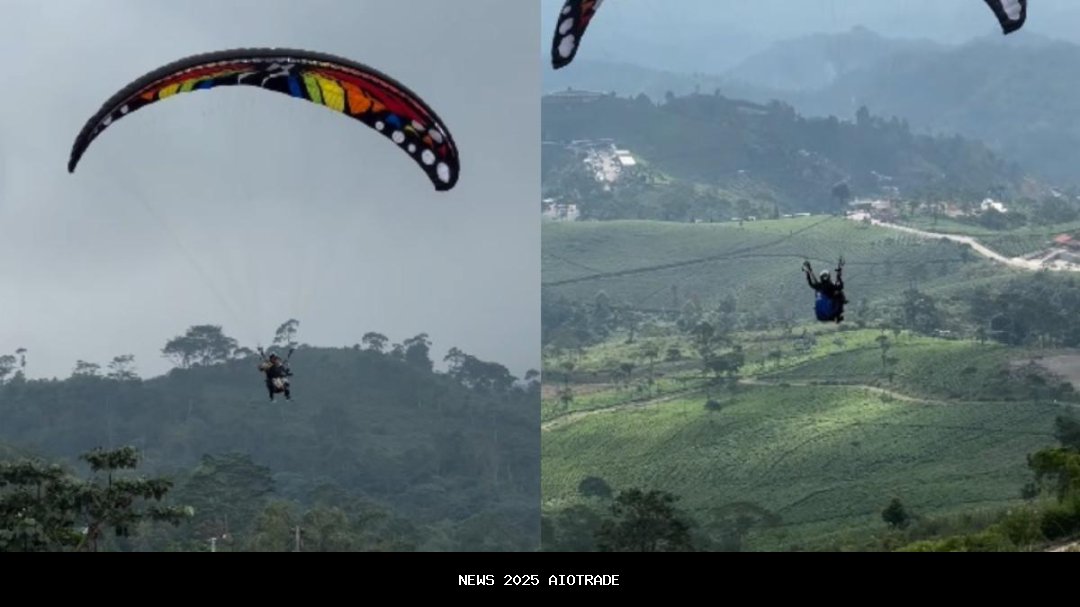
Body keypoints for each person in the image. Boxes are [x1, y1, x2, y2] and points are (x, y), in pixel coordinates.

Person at [802, 258, 848, 323]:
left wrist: (807, 272)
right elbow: (840, 286)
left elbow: (811, 283)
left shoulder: (818, 286)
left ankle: (808, 268)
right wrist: (839, 272)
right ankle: (838, 316)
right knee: (839, 293)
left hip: (820, 315)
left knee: (819, 289)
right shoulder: (831, 286)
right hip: (830, 313)